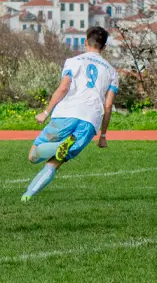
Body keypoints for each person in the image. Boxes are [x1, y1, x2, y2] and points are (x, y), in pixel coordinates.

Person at [22, 26, 118, 202]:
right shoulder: (112, 71)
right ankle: (28, 194)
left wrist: (45, 112)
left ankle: (57, 148)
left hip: (66, 114)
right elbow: (108, 105)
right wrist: (103, 135)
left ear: (85, 42)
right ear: (104, 48)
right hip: (90, 121)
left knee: (33, 155)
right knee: (55, 163)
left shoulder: (73, 61)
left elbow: (64, 88)